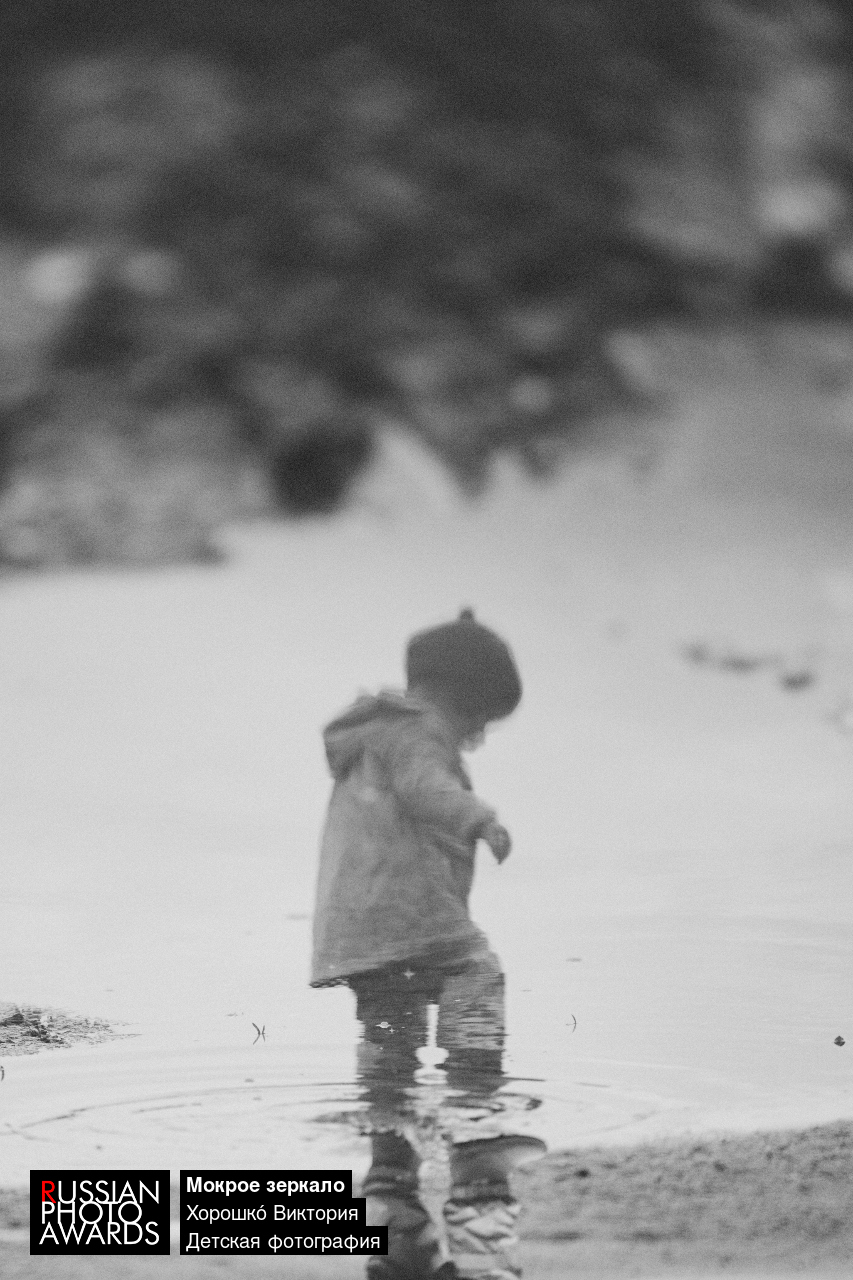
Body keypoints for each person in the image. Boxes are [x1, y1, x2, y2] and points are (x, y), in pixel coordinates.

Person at [311, 609, 544, 1280]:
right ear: (453, 696)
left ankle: (393, 1217)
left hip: (360, 928)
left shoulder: (369, 738)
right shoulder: (416, 733)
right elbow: (426, 789)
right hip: (413, 917)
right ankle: (475, 1085)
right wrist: (481, 819)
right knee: (477, 971)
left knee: (390, 1038)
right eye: (480, 719)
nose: (477, 736)